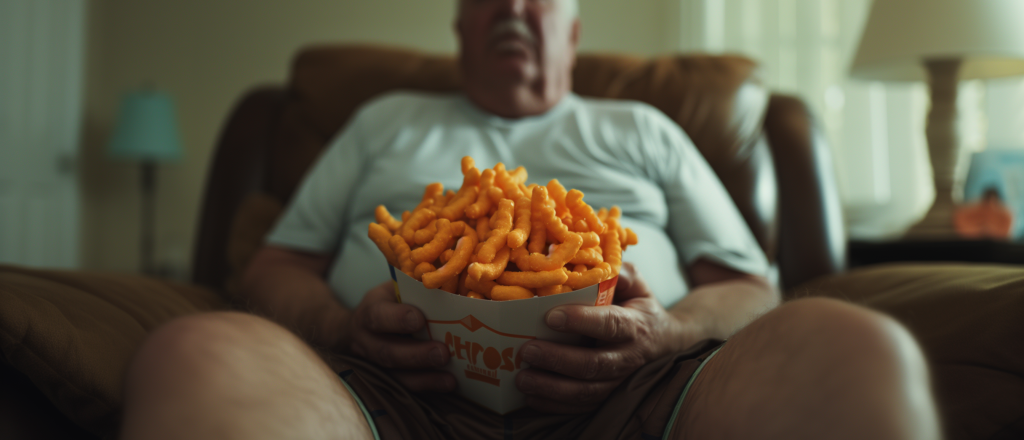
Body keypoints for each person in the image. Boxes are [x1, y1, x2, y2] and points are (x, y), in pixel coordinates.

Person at [119, 1, 942, 439]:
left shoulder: (643, 129)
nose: (513, 3)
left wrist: (670, 333)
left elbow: (749, 284)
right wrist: (342, 325)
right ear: (459, 25)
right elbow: (273, 266)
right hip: (375, 391)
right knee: (198, 350)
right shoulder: (385, 120)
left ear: (573, 30)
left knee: (857, 346)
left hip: (645, 395)